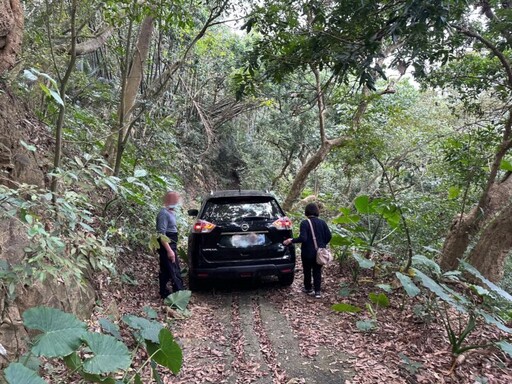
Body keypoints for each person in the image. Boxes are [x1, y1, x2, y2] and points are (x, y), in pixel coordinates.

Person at [283, 203, 331, 299]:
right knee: (317, 271)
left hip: (307, 252)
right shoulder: (323, 223)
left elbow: (303, 238)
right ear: (317, 211)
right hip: (319, 252)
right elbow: (329, 236)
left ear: (306, 212)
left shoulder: (305, 223)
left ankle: (308, 288)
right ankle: (317, 292)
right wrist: (322, 245)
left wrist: (291, 240)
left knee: (307, 270)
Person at [156, 191, 184, 298]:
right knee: (174, 269)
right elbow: (161, 234)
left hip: (172, 243)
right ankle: (180, 295)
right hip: (167, 245)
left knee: (165, 270)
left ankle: (163, 292)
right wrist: (169, 251)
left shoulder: (170, 212)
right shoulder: (163, 213)